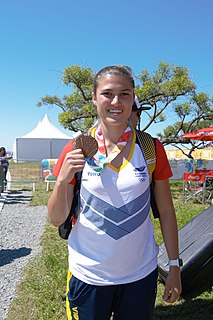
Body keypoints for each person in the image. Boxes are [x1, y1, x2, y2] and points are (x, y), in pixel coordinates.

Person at [48, 65, 182, 320]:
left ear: (133, 98)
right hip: (88, 275)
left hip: (140, 275)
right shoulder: (75, 149)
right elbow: (56, 219)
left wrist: (174, 266)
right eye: (108, 93)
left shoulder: (150, 148)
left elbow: (166, 211)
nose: (116, 102)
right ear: (94, 97)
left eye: (125, 94)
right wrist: (62, 180)